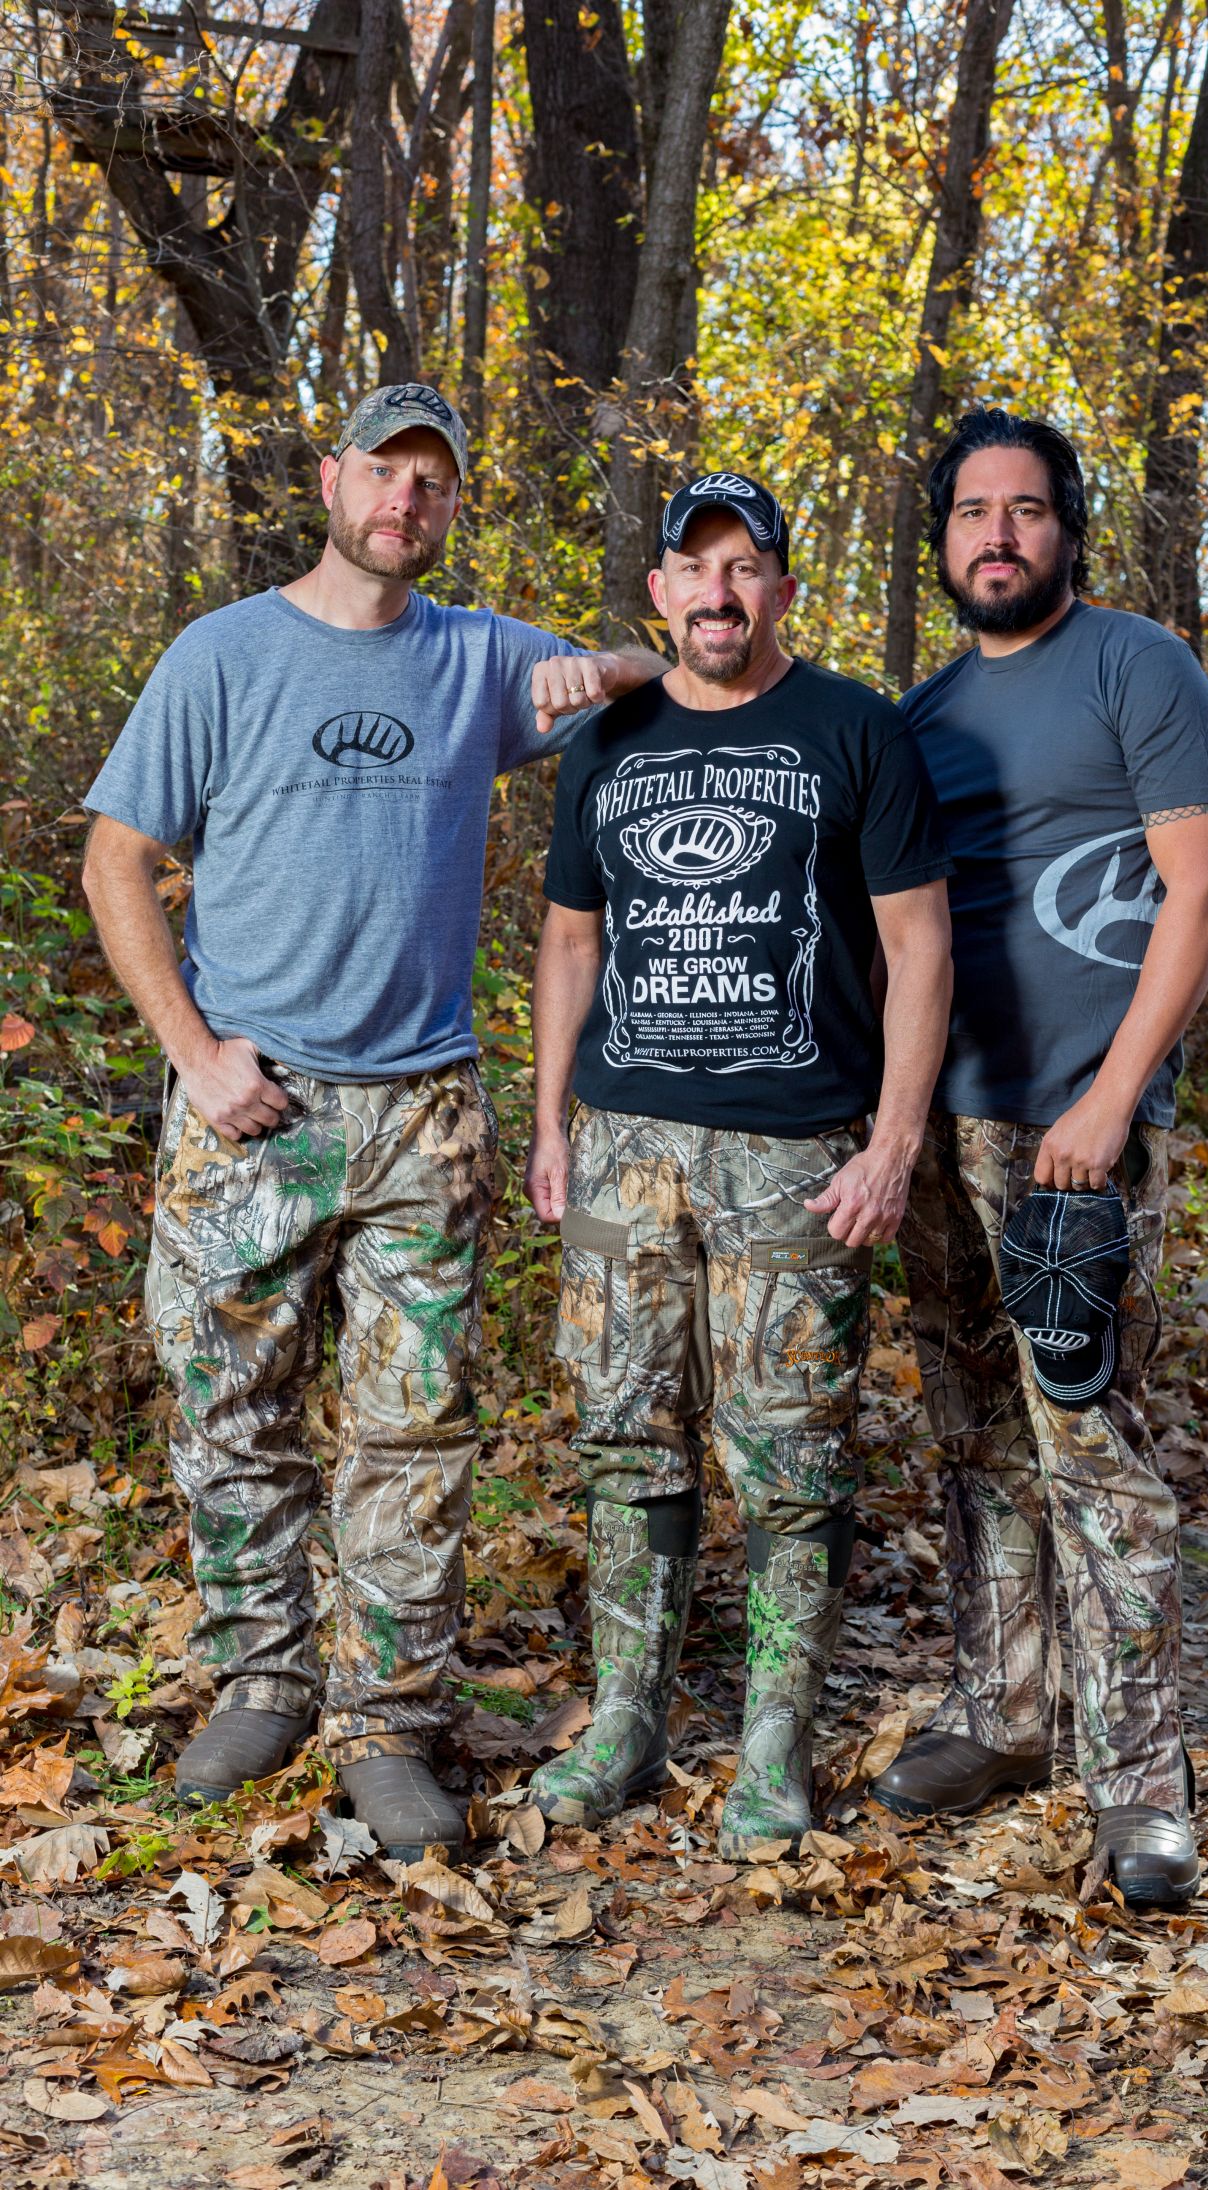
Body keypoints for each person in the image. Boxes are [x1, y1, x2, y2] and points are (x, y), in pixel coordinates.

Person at [81, 383, 664, 1863]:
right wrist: (197, 1057)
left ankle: (391, 1720)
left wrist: (602, 662)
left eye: (434, 483)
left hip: (424, 1112)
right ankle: (267, 1679)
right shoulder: (219, 655)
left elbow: (643, 671)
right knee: (229, 1408)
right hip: (252, 1109)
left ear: (451, 508)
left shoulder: (476, 657)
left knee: (411, 1430)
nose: (405, 499)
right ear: (334, 478)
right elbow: (115, 863)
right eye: (385, 471)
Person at [523, 472, 954, 1857]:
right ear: (659, 589)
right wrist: (550, 1126)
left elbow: (921, 944)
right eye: (693, 568)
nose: (718, 592)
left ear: (781, 585)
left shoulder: (855, 730)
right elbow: (572, 943)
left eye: (744, 566)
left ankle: (774, 1734)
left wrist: (893, 1139)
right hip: (621, 1152)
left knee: (792, 1450)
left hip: (798, 1150)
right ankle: (626, 1716)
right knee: (620, 1427)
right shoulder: (609, 737)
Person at [869, 406, 1208, 1907]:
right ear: (944, 539)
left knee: (1089, 1434)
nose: (999, 535)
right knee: (973, 1433)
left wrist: (1110, 1100)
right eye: (972, 514)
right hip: (942, 1121)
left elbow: (1201, 895)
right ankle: (1006, 1713)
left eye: (1027, 510)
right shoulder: (922, 713)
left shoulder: (1139, 670)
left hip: (1080, 1130)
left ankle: (1145, 1783)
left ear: (1068, 529)